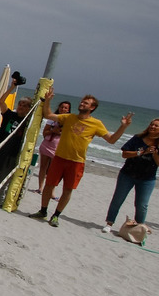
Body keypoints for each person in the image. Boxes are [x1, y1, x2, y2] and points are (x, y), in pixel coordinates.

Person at [29, 88, 133, 227]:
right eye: (82, 102)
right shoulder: (69, 117)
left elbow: (112, 140)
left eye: (86, 103)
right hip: (59, 158)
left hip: (76, 162)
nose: (82, 104)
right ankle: (43, 211)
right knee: (49, 185)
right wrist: (48, 100)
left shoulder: (96, 124)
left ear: (92, 107)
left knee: (67, 190)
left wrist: (123, 127)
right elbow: (48, 115)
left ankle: (56, 216)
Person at [102, 119, 159, 232]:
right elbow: (124, 154)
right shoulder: (138, 138)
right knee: (117, 199)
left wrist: (155, 153)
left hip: (147, 179)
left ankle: (138, 228)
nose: (153, 127)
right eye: (151, 124)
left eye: (156, 126)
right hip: (127, 174)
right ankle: (109, 223)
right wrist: (142, 152)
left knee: (142, 205)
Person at [36, 100, 72, 194]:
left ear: (68, 110)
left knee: (54, 170)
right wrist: (53, 131)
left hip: (58, 147)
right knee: (43, 167)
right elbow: (45, 133)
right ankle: (40, 187)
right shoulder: (51, 119)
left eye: (65, 108)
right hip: (47, 144)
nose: (63, 109)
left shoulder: (69, 121)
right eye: (61, 107)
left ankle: (51, 191)